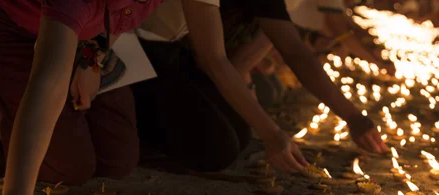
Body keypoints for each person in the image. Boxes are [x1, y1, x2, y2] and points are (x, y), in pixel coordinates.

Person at [0, 0, 163, 195]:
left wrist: (92, 58)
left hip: (88, 35)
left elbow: (121, 17)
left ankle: (68, 118)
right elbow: (48, 79)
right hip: (18, 29)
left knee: (119, 159)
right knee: (68, 167)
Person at [133, 0, 387, 173]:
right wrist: (272, 133)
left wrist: (353, 116)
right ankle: (136, 128)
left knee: (241, 131)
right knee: (218, 149)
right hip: (141, 49)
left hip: (178, 50)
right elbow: (213, 58)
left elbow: (295, 51)